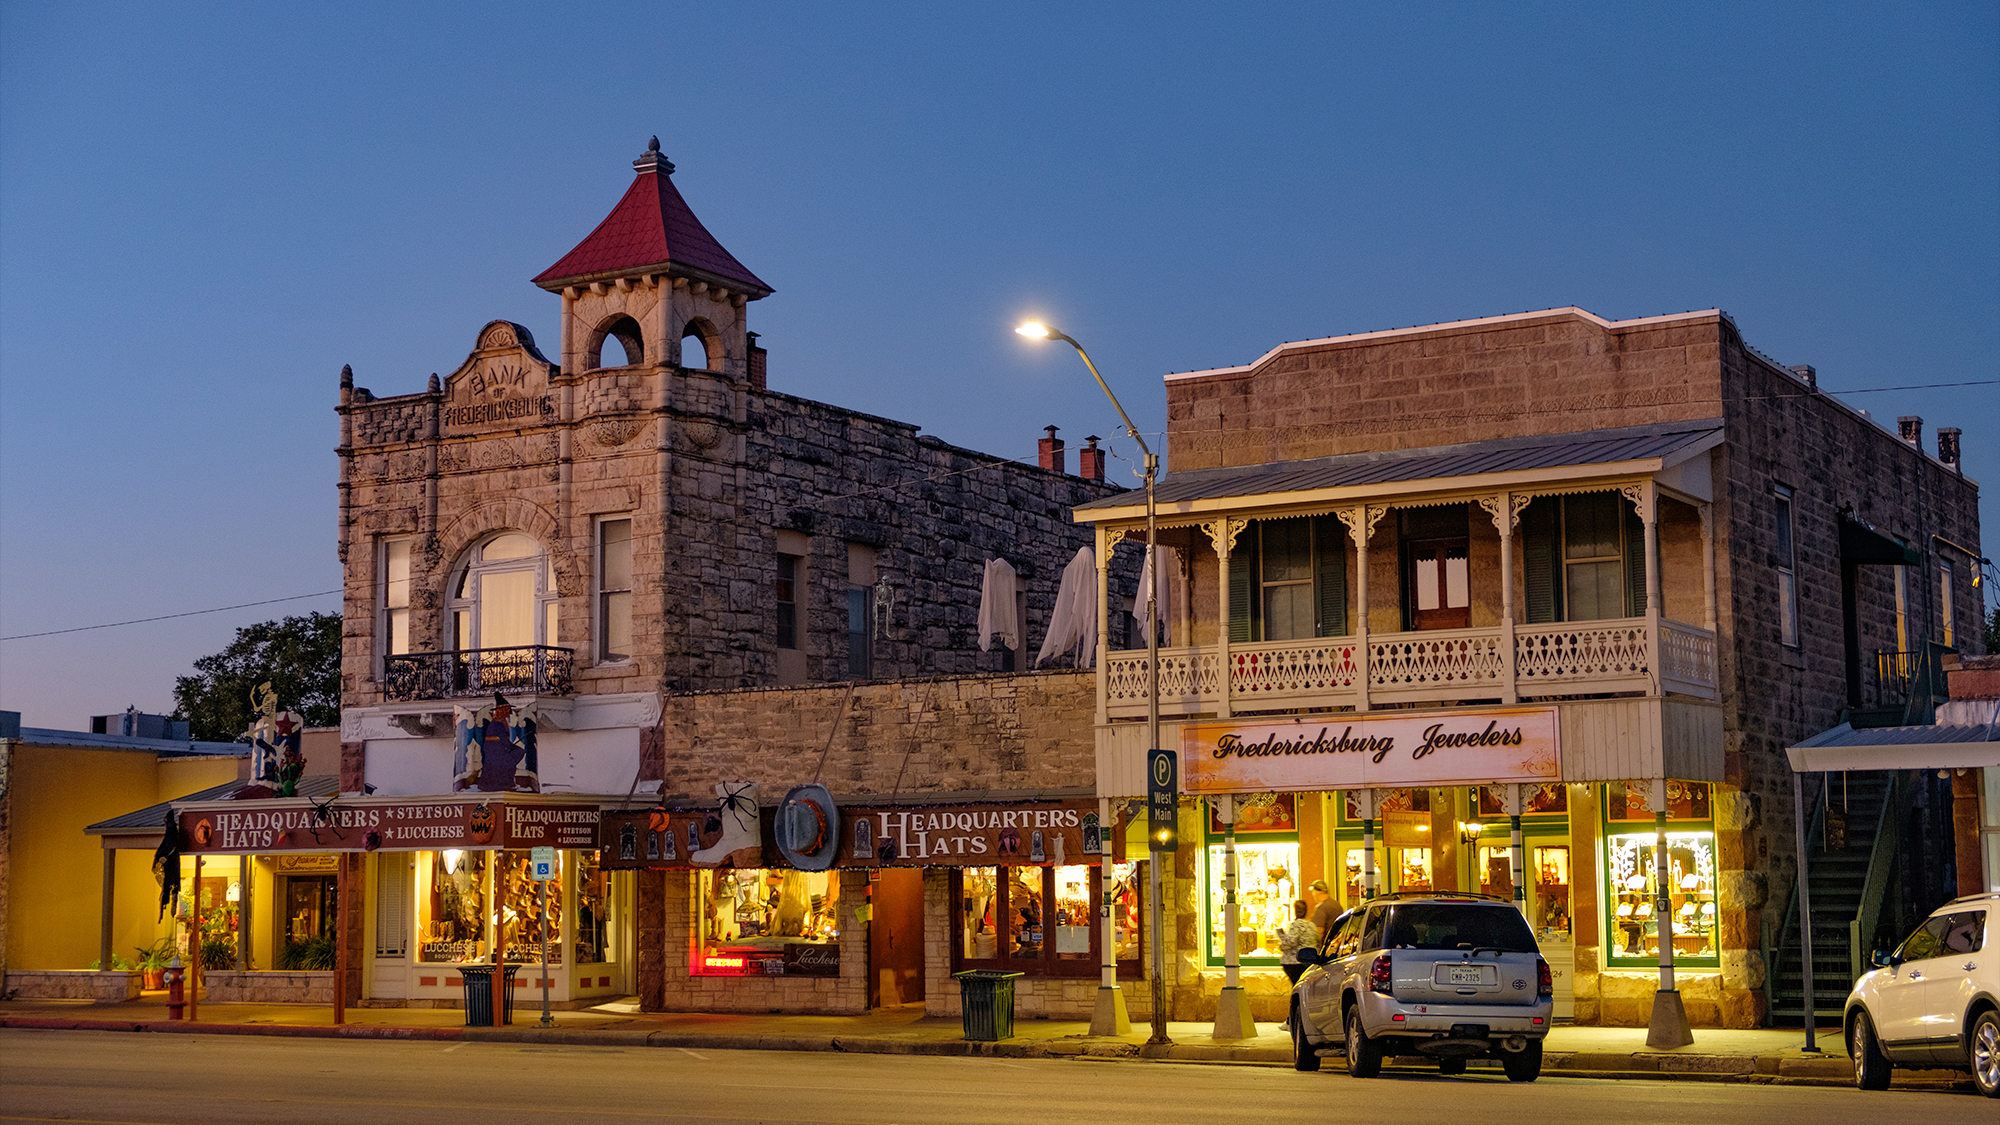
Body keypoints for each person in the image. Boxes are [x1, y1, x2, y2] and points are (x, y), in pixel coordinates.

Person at [1277, 900, 1321, 986]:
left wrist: (1281, 935)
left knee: (1297, 985)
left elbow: (1290, 942)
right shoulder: (1312, 925)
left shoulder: (1296, 925)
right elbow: (1318, 942)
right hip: (1311, 961)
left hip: (1295, 962)